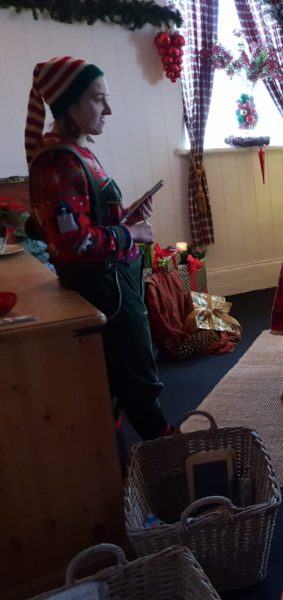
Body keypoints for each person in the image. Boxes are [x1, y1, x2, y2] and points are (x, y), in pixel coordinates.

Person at [25, 56, 172, 441]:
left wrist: (123, 216)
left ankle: (120, 459)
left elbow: (88, 218)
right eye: (97, 99)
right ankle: (166, 457)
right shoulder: (57, 161)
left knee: (126, 377)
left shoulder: (78, 149)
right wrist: (132, 234)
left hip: (116, 287)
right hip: (106, 295)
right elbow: (72, 242)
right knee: (135, 381)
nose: (107, 109)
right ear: (68, 105)